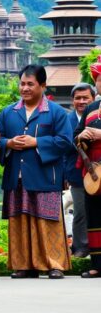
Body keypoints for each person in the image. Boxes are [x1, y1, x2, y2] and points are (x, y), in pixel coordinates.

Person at [0, 65, 73, 279]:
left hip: (44, 177)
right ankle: (24, 265)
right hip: (16, 177)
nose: (25, 88)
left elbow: (65, 142)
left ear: (42, 86)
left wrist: (36, 142)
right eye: (22, 83)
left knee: (47, 221)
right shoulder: (8, 112)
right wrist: (9, 143)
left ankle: (54, 264)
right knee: (20, 220)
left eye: (30, 84)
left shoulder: (56, 112)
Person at [74, 58, 101, 278]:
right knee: (94, 216)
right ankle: (97, 264)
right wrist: (81, 136)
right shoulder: (92, 108)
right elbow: (76, 134)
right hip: (94, 171)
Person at [65, 83, 96, 258]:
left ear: (93, 99)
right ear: (72, 100)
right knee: (80, 211)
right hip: (76, 173)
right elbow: (63, 146)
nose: (82, 101)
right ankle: (80, 248)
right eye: (78, 98)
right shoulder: (66, 119)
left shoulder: (96, 116)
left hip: (98, 171)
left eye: (86, 98)